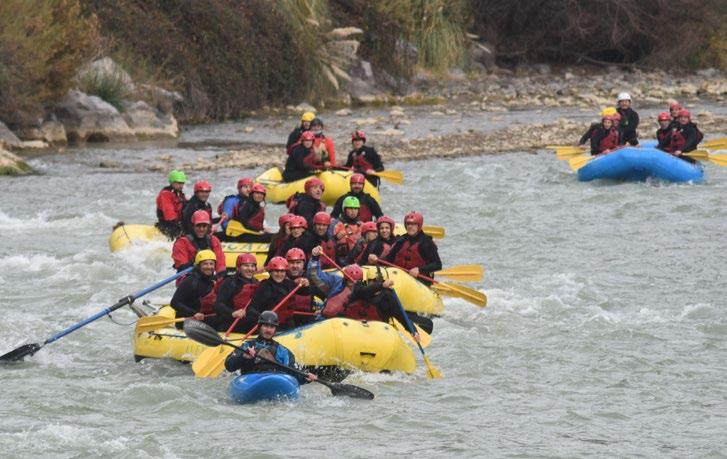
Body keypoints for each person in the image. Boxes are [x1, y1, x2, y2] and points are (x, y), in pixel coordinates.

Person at [307, 248, 416, 333]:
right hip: (330, 322)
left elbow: (399, 314)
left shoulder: (386, 296)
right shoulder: (355, 288)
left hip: (366, 330)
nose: (352, 283)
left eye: (377, 281)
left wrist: (412, 331)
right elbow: (315, 275)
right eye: (372, 281)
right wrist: (315, 259)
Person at [224, 311, 317, 384]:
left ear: (275, 329)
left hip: (275, 379)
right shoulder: (247, 346)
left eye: (272, 327)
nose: (268, 330)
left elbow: (296, 373)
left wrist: (306, 377)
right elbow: (229, 366)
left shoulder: (283, 351)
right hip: (251, 379)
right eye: (265, 326)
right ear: (259, 327)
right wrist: (243, 356)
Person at [242, 256, 309, 332]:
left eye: (282, 271)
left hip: (287, 323)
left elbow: (305, 293)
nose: (279, 274)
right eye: (276, 271)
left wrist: (306, 286)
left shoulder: (289, 284)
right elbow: (251, 309)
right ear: (270, 272)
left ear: (286, 272)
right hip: (269, 325)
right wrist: (265, 317)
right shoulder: (264, 287)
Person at [374, 211, 442, 285]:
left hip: (419, 281)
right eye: (408, 224)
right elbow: (389, 259)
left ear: (419, 226)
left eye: (413, 224)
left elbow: (437, 265)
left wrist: (419, 270)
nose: (410, 226)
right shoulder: (401, 240)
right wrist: (377, 260)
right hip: (400, 278)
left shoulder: (426, 242)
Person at [170, 249, 218, 328]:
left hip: (205, 319)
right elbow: (174, 302)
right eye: (205, 264)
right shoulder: (190, 281)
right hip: (189, 321)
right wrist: (193, 313)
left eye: (211, 264)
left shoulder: (215, 280)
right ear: (199, 265)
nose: (209, 267)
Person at [214, 253, 260, 332]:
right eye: (246, 266)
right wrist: (233, 313)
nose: (250, 269)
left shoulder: (256, 282)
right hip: (229, 322)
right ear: (238, 268)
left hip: (246, 319)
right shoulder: (230, 282)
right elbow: (218, 304)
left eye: (252, 266)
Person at [172, 210, 226, 276]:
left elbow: (220, 264)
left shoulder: (214, 240)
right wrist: (197, 264)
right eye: (198, 226)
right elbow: (182, 267)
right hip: (189, 278)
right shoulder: (182, 242)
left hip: (208, 277)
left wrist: (220, 277)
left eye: (204, 226)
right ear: (193, 226)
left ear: (208, 227)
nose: (201, 229)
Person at [284, 248, 316, 326]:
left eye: (298, 263)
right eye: (291, 263)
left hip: (307, 318)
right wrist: (293, 284)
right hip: (288, 319)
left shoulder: (311, 277)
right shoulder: (280, 278)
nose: (295, 266)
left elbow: (325, 295)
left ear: (303, 264)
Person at [156, 170, 188, 239]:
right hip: (167, 225)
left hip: (177, 223)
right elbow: (169, 215)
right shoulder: (166, 194)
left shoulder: (180, 194)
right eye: (179, 183)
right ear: (172, 183)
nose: (181, 185)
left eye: (182, 183)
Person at [332, 196, 363, 266]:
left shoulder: (362, 225)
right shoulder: (335, 224)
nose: (353, 211)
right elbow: (329, 242)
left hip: (358, 260)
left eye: (355, 209)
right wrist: (335, 238)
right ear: (344, 210)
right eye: (350, 208)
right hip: (341, 260)